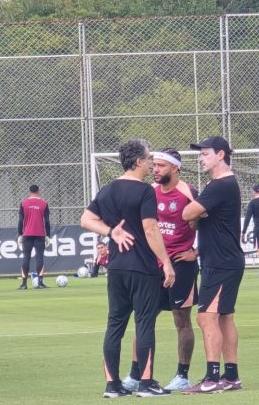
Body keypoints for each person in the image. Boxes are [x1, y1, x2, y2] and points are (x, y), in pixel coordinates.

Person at [80, 139, 175, 398]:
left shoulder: (108, 190)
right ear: (137, 161)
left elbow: (86, 219)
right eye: (148, 159)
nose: (150, 164)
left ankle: (112, 386)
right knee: (144, 324)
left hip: (117, 268)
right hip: (142, 268)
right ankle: (146, 383)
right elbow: (150, 228)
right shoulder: (146, 191)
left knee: (115, 325)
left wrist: (111, 231)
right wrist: (166, 262)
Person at [121, 148, 199, 392]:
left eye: (161, 166)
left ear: (175, 168)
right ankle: (136, 374)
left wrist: (198, 252)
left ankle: (182, 375)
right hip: (153, 266)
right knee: (144, 319)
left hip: (182, 266)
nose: (154, 170)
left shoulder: (189, 194)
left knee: (181, 320)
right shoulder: (150, 193)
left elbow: (214, 224)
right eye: (153, 165)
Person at [181, 136, 245, 394]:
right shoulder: (219, 185)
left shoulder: (220, 185)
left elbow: (187, 215)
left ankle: (211, 379)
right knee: (224, 318)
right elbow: (195, 221)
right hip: (222, 260)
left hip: (221, 262)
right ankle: (231, 377)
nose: (200, 158)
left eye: (205, 153)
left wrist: (195, 211)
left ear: (221, 155)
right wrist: (198, 213)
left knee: (205, 317)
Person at [17, 184, 51, 290]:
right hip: (40, 234)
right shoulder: (44, 204)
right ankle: (40, 282)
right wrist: (48, 235)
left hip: (27, 234)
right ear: (39, 191)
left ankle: (24, 284)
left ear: (29, 191)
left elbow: (20, 220)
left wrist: (19, 234)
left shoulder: (23, 203)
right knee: (39, 256)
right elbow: (47, 221)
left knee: (26, 257)